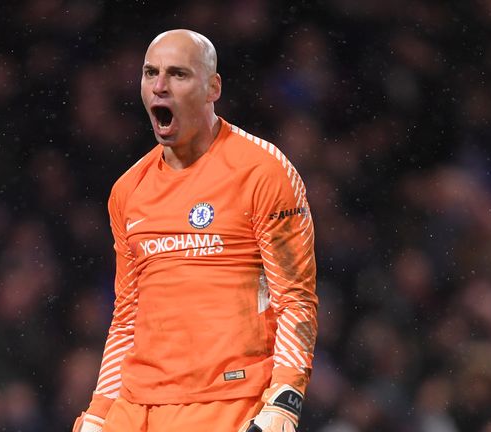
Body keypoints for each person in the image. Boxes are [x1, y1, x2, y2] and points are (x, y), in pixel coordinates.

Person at [72, 29, 318, 432]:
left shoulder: (264, 172)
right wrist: (100, 409)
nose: (160, 86)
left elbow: (295, 298)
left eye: (178, 74)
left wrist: (285, 401)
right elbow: (127, 314)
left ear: (212, 87)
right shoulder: (127, 190)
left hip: (228, 403)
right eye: (150, 73)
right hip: (138, 406)